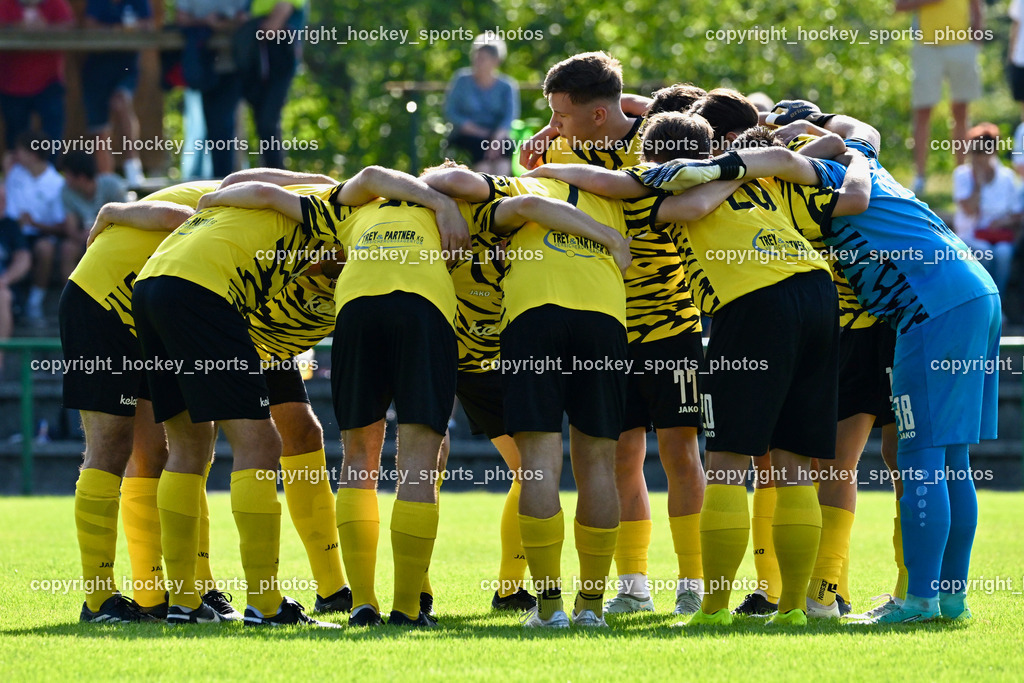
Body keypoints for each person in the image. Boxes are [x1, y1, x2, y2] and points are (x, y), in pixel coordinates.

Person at [530, 55, 708, 618]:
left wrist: (635, 106)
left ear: (600, 112)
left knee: (682, 453)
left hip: (673, 325)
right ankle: (632, 583)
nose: (554, 126)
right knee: (620, 459)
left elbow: (693, 110)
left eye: (561, 115)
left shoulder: (660, 145)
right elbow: (532, 167)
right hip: (607, 329)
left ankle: (694, 581)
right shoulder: (562, 148)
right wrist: (549, 137)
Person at [894, 0, 984, 195]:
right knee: (923, 111)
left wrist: (976, 40)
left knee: (961, 112)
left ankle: (962, 176)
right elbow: (899, 5)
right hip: (927, 47)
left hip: (962, 45)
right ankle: (919, 177)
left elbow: (976, 6)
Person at [82, 0, 153, 186]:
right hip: (97, 69)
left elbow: (149, 24)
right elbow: (90, 26)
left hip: (127, 67)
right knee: (100, 130)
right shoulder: (97, 3)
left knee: (121, 103)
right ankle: (107, 182)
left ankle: (132, 168)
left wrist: (122, 28)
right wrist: (119, 28)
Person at [174, 0, 248, 177]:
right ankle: (220, 180)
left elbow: (249, 17)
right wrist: (206, 22)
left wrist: (229, 22)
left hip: (235, 66)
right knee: (214, 128)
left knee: (226, 125)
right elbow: (180, 18)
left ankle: (230, 179)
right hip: (204, 68)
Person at [952, 122, 1021, 299]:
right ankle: (986, 300)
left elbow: (1016, 213)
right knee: (985, 252)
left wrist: (1002, 222)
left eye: (983, 151)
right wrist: (979, 183)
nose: (979, 156)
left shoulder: (1007, 177)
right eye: (975, 151)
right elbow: (968, 209)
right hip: (970, 235)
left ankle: (999, 300)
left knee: (1003, 253)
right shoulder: (962, 174)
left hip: (999, 234)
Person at [4, 129, 65, 325]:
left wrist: (34, 223)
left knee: (45, 249)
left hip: (40, 234)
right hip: (11, 233)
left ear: (32, 155)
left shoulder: (57, 183)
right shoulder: (14, 173)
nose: (15, 154)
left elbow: (60, 225)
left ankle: (34, 303)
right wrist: (6, 171)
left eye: (20, 150)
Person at [0, 0, 74, 155]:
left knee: (52, 135)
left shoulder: (56, 3)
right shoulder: (5, 4)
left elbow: (69, 29)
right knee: (15, 138)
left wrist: (46, 29)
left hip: (49, 82)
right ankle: (17, 177)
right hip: (12, 84)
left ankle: (50, 174)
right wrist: (17, 28)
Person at [239, 0, 304, 168]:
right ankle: (270, 175)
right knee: (261, 121)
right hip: (256, 59)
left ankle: (278, 176)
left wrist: (250, 24)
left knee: (268, 121)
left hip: (280, 57)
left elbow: (271, 28)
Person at [444, 33, 520, 175]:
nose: (477, 62)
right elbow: (451, 112)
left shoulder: (507, 86)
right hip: (467, 134)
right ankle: (483, 191)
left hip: (496, 135)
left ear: (496, 61)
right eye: (476, 57)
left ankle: (501, 191)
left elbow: (509, 117)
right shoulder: (461, 80)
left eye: (483, 59)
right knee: (480, 148)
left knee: (505, 147)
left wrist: (495, 140)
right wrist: (479, 132)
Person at [60, 151, 127, 279]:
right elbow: (71, 229)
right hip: (83, 240)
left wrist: (100, 233)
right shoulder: (66, 191)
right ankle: (72, 296)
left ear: (81, 178)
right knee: (67, 249)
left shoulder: (112, 185)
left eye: (67, 174)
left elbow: (128, 218)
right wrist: (84, 236)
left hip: (113, 237)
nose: (65, 179)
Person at [0, 184, 30, 372]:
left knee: (2, 296)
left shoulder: (10, 226)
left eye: (4, 199)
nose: (2, 203)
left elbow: (24, 259)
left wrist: (4, 280)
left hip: (4, 289)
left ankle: (0, 359)